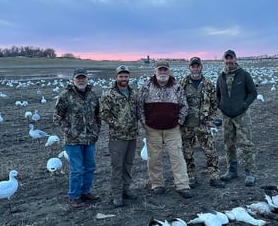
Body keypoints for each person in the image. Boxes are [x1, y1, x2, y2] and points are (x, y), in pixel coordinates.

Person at [137, 60, 192, 198]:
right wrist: (145, 123)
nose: (162, 72)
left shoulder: (176, 87)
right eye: (160, 70)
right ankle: (157, 184)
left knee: (177, 156)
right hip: (152, 129)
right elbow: (139, 106)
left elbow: (184, 106)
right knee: (154, 158)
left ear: (169, 71)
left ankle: (182, 185)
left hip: (172, 129)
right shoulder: (146, 87)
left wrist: (179, 121)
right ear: (155, 71)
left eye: (165, 70)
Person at [53, 68, 101, 208]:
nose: (81, 80)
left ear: (87, 79)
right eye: (78, 78)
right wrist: (69, 131)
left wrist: (96, 131)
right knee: (77, 169)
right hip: (73, 141)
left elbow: (98, 115)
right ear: (73, 80)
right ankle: (74, 196)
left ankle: (85, 192)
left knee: (90, 167)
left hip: (89, 139)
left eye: (83, 78)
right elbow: (57, 117)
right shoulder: (65, 96)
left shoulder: (92, 95)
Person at [179, 57, 224, 188]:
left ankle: (214, 177)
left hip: (203, 125)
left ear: (201, 67)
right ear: (189, 68)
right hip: (187, 126)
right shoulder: (182, 83)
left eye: (197, 66)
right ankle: (191, 177)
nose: (195, 68)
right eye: (193, 66)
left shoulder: (208, 84)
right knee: (187, 153)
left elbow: (214, 104)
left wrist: (210, 120)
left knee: (210, 152)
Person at [216, 49, 257, 186]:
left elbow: (253, 93)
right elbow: (217, 95)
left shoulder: (244, 75)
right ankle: (231, 171)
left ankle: (250, 173)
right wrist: (221, 106)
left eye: (231, 59)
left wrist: (244, 105)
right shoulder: (221, 76)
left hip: (242, 116)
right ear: (224, 60)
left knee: (246, 144)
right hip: (227, 117)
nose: (229, 61)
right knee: (228, 144)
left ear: (235, 59)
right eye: (226, 59)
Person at [100, 65, 138, 208]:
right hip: (117, 137)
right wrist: (118, 124)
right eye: (121, 76)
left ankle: (126, 190)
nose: (124, 79)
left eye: (126, 76)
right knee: (117, 166)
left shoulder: (133, 93)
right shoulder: (108, 93)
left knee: (128, 164)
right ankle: (117, 194)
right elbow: (104, 113)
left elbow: (137, 111)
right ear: (116, 77)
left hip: (132, 135)